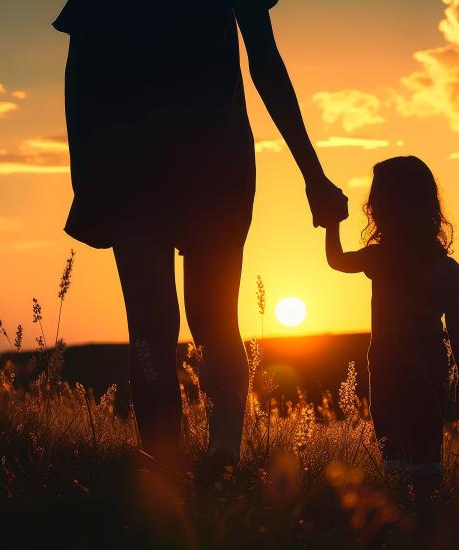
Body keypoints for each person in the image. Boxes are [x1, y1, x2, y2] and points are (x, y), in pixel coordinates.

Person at [53, 0, 348, 467]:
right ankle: (215, 447)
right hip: (191, 164)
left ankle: (177, 460)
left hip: (150, 167)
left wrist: (88, 176)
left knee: (160, 327)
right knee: (203, 322)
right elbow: (265, 60)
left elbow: (79, 76)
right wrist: (312, 175)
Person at [324, 156, 459, 484]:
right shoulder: (445, 269)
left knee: (392, 440)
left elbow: (336, 260)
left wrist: (332, 223)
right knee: (427, 439)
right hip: (432, 358)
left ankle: (399, 503)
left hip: (388, 359)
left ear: (380, 208)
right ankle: (427, 505)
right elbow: (457, 326)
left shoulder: (379, 259)